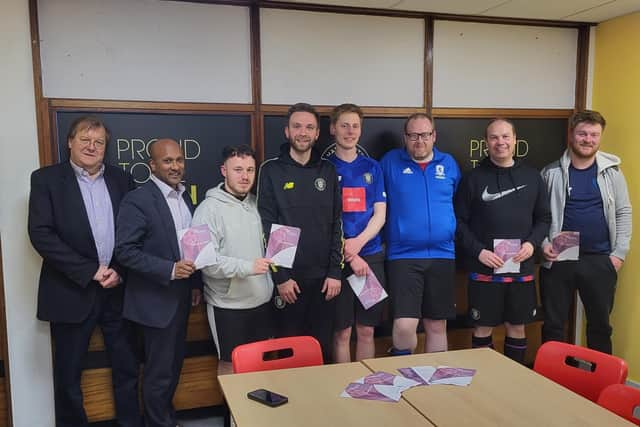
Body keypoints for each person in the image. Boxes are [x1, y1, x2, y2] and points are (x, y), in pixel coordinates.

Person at [28, 116, 141, 427]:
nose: (92, 146)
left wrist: (118, 269)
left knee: (127, 368)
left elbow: (133, 232)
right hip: (70, 290)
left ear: (106, 147)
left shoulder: (122, 179)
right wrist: (91, 271)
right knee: (68, 375)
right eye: (85, 140)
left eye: (99, 142)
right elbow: (41, 234)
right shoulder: (46, 180)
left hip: (117, 290)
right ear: (70, 142)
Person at [115, 138, 202, 427]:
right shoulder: (138, 199)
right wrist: (169, 270)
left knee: (171, 369)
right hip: (154, 302)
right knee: (159, 375)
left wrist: (194, 284)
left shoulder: (185, 197)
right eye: (167, 161)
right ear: (152, 165)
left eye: (179, 160)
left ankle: (165, 420)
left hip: (180, 296)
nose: (175, 166)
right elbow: (124, 250)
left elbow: (190, 245)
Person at [455, 118, 550, 364]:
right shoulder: (472, 179)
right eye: (495, 137)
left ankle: (513, 384)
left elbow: (544, 219)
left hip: (522, 269)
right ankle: (484, 384)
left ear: (515, 139)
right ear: (486, 142)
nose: (501, 142)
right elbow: (458, 222)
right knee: (482, 329)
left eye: (505, 137)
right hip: (484, 269)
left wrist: (531, 244)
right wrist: (479, 252)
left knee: (517, 328)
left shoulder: (533, 177)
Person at [256, 102, 343, 362]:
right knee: (287, 354)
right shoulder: (270, 170)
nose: (302, 133)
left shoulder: (328, 170)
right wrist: (281, 277)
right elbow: (267, 225)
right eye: (297, 126)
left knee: (322, 352)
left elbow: (336, 224)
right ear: (287, 131)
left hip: (325, 283)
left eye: (309, 127)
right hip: (289, 283)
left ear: (318, 134)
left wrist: (335, 272)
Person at [540, 110, 631, 354]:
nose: (587, 139)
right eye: (582, 133)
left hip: (600, 258)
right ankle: (551, 382)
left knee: (600, 327)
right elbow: (538, 216)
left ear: (600, 137)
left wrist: (618, 254)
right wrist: (544, 244)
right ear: (571, 134)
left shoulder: (612, 172)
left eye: (593, 135)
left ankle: (599, 386)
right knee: (553, 326)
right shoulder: (551, 172)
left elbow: (623, 212)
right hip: (560, 255)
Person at [380, 113, 460, 355]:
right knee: (404, 326)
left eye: (425, 135)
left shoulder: (449, 164)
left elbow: (454, 199)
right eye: (413, 135)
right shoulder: (389, 162)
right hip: (402, 255)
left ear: (434, 136)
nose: (419, 141)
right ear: (405, 137)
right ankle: (402, 379)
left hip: (443, 254)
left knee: (437, 325)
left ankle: (435, 387)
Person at [191, 145, 274, 375]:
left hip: (262, 301)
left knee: (260, 364)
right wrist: (248, 267)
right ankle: (233, 413)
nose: (245, 176)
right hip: (228, 306)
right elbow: (204, 262)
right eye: (237, 169)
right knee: (230, 364)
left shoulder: (258, 205)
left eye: (250, 169)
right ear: (223, 171)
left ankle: (258, 413)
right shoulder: (207, 209)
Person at [325, 104, 387, 363]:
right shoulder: (324, 169)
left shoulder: (373, 167)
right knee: (341, 332)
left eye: (355, 126)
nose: (350, 131)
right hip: (337, 261)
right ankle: (343, 386)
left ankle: (367, 387)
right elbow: (323, 220)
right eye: (344, 125)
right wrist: (349, 254)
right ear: (332, 129)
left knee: (366, 330)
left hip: (370, 256)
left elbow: (380, 214)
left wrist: (358, 245)